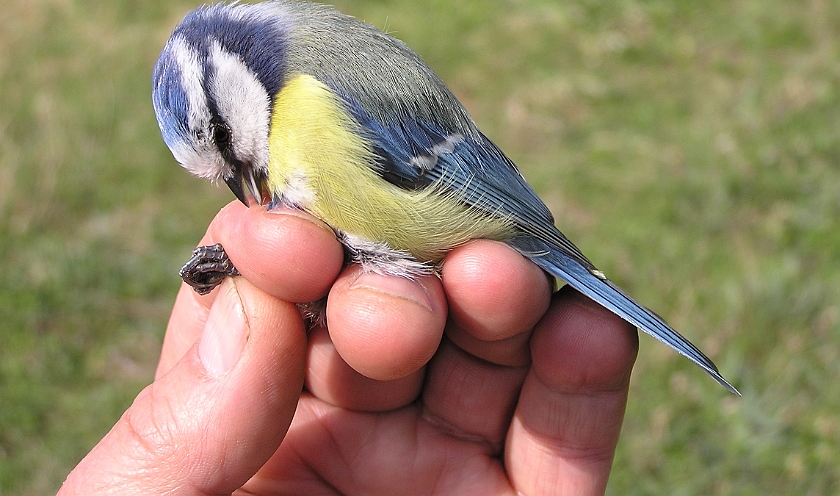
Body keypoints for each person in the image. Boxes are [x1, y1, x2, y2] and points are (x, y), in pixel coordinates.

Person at [58, 201, 638, 495]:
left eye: (230, 151)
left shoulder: (316, 105)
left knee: (453, 291)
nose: (244, 186)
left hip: (458, 247)